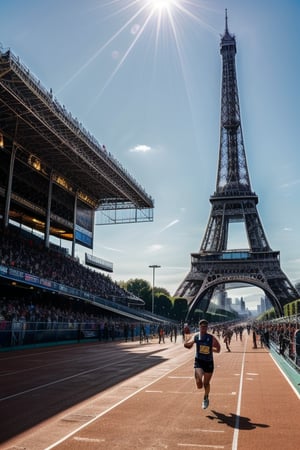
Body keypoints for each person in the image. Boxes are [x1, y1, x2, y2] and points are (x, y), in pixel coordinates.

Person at [184, 319, 221, 410]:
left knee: (206, 383)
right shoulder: (196, 336)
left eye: (205, 327)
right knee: (199, 385)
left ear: (207, 328)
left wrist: (210, 349)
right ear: (199, 327)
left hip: (208, 362)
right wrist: (187, 340)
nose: (203, 328)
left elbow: (218, 349)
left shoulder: (211, 338)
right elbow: (188, 345)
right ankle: (199, 382)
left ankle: (206, 398)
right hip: (199, 361)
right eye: (202, 326)